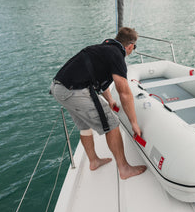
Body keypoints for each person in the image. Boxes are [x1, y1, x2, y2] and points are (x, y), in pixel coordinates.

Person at [50, 27, 146, 179]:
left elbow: (99, 82)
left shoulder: (104, 49)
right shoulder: (117, 55)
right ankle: (124, 168)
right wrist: (133, 122)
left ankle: (94, 161)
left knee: (84, 125)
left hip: (59, 87)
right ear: (130, 46)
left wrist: (110, 100)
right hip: (74, 90)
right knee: (112, 124)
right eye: (134, 47)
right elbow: (124, 92)